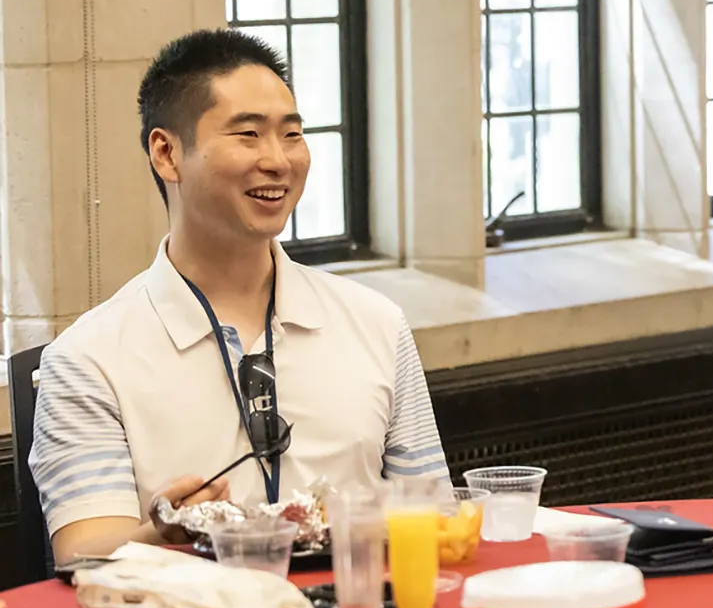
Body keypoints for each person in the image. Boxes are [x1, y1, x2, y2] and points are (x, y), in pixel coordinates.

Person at [30, 30, 448, 564]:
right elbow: (81, 557)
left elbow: (435, 514)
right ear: (167, 153)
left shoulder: (376, 324)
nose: (278, 161)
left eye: (292, 134)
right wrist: (164, 535)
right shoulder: (88, 358)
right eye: (248, 135)